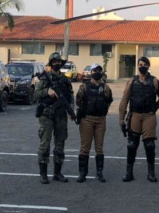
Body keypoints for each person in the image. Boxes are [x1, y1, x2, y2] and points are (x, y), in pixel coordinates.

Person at [118, 56, 159, 182]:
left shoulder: (155, 81)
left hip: (149, 116)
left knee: (150, 145)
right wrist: (121, 118)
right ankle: (129, 173)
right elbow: (124, 100)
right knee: (132, 145)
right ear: (137, 66)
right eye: (140, 64)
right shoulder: (131, 81)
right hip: (135, 115)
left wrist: (154, 108)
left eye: (145, 64)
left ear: (148, 66)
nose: (142, 66)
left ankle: (151, 173)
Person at [35, 52, 76, 184]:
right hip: (47, 114)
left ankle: (57, 173)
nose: (57, 64)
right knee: (45, 144)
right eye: (55, 62)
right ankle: (43, 174)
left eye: (59, 62)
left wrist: (71, 111)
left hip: (60, 115)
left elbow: (70, 97)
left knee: (60, 144)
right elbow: (35, 94)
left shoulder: (65, 80)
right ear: (51, 63)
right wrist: (47, 91)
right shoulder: (45, 78)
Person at [74, 64, 114, 183]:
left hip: (100, 120)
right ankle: (82, 173)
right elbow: (78, 101)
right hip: (87, 119)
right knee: (85, 148)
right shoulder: (84, 87)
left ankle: (99, 172)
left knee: (99, 148)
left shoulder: (106, 87)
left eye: (99, 70)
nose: (97, 72)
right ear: (91, 72)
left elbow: (109, 100)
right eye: (95, 70)